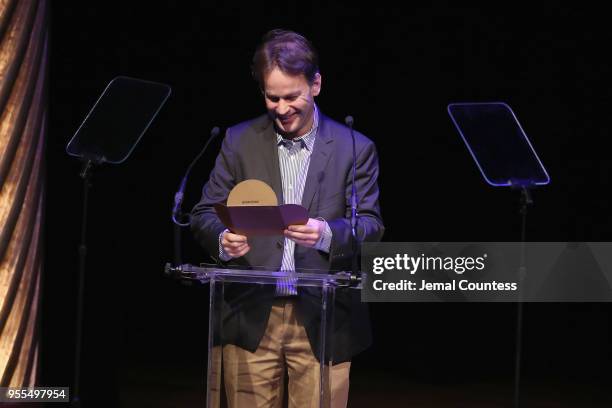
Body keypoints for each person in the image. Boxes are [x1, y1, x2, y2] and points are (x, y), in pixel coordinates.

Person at [191, 29, 384, 408]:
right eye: (271, 97)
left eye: (292, 96)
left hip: (322, 318)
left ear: (316, 84)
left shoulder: (355, 148)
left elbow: (371, 225)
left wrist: (327, 233)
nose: (281, 108)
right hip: (250, 316)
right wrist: (222, 240)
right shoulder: (238, 140)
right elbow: (202, 214)